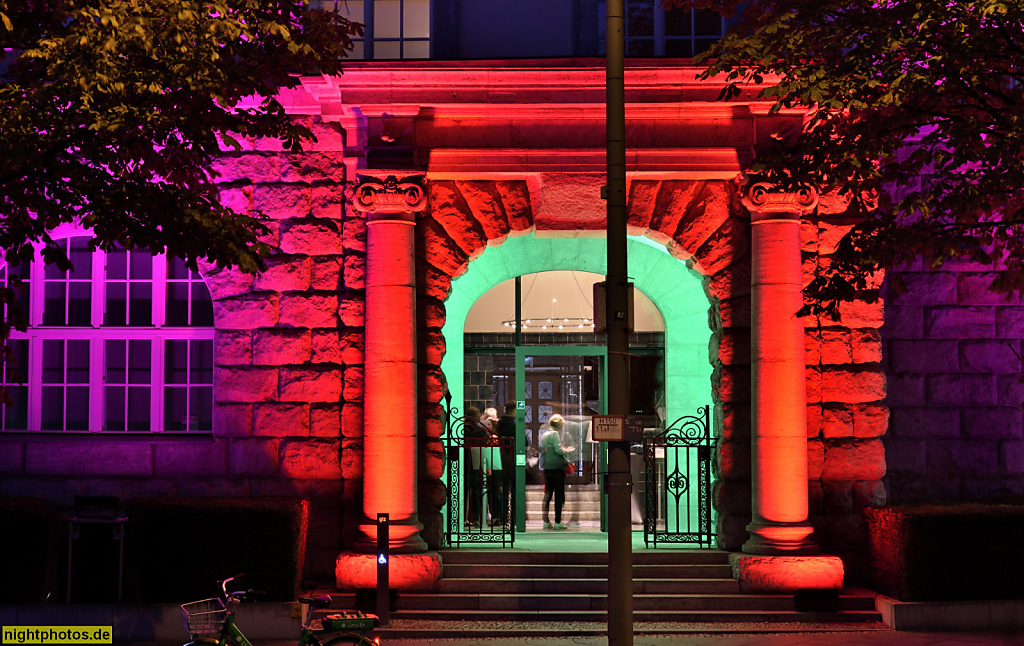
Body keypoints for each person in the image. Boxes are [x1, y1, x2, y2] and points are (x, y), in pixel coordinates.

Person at [540, 414, 574, 530]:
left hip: (548, 468)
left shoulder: (545, 434)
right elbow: (558, 450)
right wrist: (567, 451)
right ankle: (557, 521)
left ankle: (546, 521)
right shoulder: (554, 434)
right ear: (559, 425)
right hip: (557, 468)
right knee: (559, 495)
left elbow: (543, 452)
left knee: (548, 494)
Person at [464, 407, 492, 528]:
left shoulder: (462, 428)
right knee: (477, 491)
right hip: (477, 461)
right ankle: (477, 518)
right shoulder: (480, 429)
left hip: (464, 461)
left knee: (463, 491)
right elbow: (486, 440)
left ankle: (463, 517)